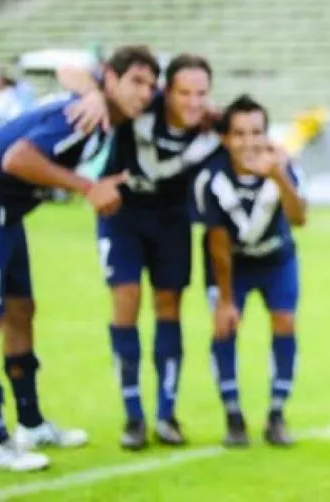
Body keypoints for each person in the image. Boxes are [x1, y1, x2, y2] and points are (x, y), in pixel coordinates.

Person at [0, 45, 160, 471]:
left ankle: (30, 423)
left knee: (22, 311)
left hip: (7, 217)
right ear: (110, 79)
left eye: (151, 85)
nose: (145, 92)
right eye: (136, 81)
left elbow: (72, 73)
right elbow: (17, 158)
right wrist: (88, 187)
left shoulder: (102, 112)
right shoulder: (83, 116)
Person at [60, 54, 221, 450]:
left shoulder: (211, 127)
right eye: (184, 92)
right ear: (167, 91)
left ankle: (166, 415)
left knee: (169, 307)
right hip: (122, 214)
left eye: (201, 93)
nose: (193, 101)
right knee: (126, 301)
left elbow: (249, 134)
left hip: (172, 222)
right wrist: (93, 92)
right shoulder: (141, 103)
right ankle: (133, 416)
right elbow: (68, 70)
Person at [194, 95, 308, 447]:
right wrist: (226, 300)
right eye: (240, 134)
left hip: (276, 260)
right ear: (226, 138)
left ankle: (277, 414)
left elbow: (299, 218)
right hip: (231, 265)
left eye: (257, 132)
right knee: (225, 326)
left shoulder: (282, 166)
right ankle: (233, 416)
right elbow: (217, 241)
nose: (249, 142)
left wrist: (278, 175)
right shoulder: (211, 177)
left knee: (285, 322)